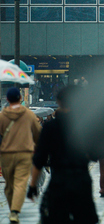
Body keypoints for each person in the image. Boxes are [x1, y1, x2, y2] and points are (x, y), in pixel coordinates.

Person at [27, 85, 98, 223]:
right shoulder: (86, 126)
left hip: (59, 181)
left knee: (57, 218)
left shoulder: (50, 127)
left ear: (58, 102)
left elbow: (39, 158)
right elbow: (94, 155)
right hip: (81, 180)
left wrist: (33, 186)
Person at [0, 87, 41, 223]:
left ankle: (13, 209)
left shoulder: (2, 115)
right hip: (24, 153)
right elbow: (38, 133)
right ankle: (14, 211)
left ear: (7, 99)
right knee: (20, 183)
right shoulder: (29, 115)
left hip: (6, 154)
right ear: (20, 98)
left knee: (9, 184)